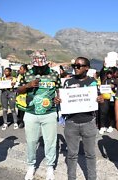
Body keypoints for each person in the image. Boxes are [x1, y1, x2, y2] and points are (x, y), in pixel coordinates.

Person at [54, 57, 104, 180]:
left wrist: (100, 99)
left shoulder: (93, 82)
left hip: (88, 123)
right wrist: (58, 101)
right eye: (74, 66)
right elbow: (62, 99)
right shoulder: (67, 82)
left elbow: (98, 98)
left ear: (86, 68)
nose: (75, 68)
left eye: (78, 66)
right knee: (71, 155)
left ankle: (92, 178)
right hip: (71, 123)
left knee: (90, 155)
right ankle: (71, 177)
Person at [17, 50, 61, 180]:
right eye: (37, 66)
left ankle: (50, 167)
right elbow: (18, 90)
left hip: (50, 113)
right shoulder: (28, 74)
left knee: (51, 142)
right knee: (31, 141)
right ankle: (31, 166)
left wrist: (58, 99)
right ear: (33, 65)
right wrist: (28, 85)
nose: (39, 69)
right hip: (31, 113)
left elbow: (58, 92)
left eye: (42, 66)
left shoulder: (54, 74)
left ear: (46, 64)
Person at [99, 70, 117, 134]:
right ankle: (102, 126)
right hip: (105, 98)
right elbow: (101, 88)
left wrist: (114, 86)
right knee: (103, 112)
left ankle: (111, 126)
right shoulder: (104, 80)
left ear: (112, 74)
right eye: (108, 74)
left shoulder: (115, 80)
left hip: (112, 98)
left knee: (111, 112)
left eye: (110, 74)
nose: (109, 75)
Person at [16, 64, 28, 128]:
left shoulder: (28, 78)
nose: (19, 70)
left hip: (26, 96)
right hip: (20, 96)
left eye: (21, 69)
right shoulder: (20, 77)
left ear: (25, 70)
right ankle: (20, 120)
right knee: (20, 109)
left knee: (24, 110)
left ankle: (22, 122)